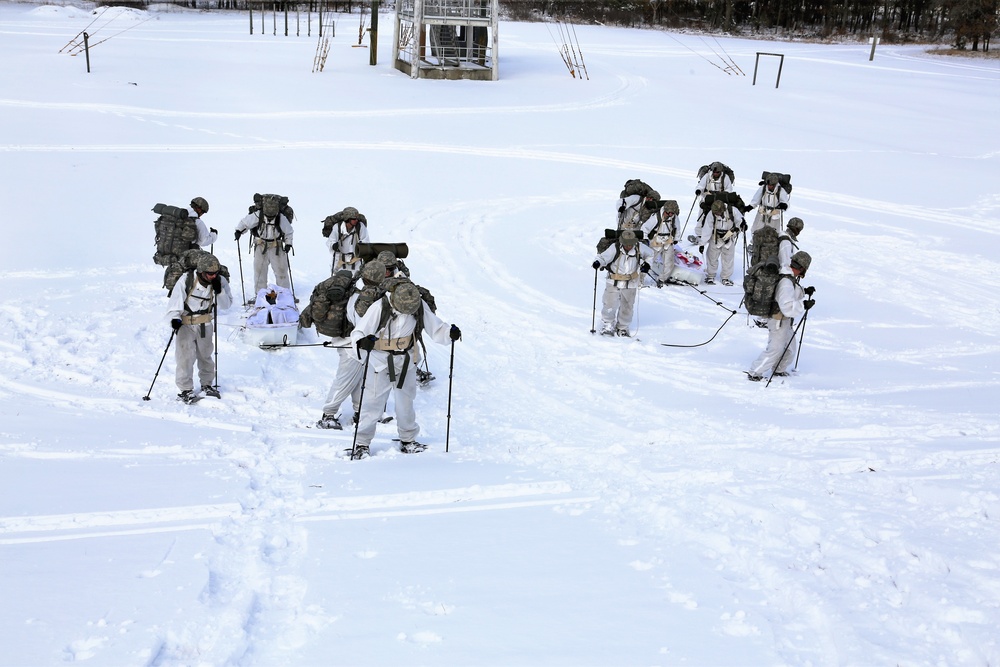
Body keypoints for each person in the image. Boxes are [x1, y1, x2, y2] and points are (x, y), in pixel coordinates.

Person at [350, 282, 461, 458]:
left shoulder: (417, 304)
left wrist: (449, 333)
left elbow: (436, 327)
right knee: (372, 403)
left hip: (406, 359)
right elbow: (358, 332)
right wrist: (362, 342)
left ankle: (408, 440)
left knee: (405, 402)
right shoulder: (380, 306)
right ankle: (362, 443)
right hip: (380, 360)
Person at [316, 261, 386, 430]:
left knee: (359, 380)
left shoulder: (361, 290)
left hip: (358, 345)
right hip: (351, 346)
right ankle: (328, 414)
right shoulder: (362, 296)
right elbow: (360, 322)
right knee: (345, 381)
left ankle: (359, 412)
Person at [166, 253, 233, 403]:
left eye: (215, 273)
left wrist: (219, 291)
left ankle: (207, 384)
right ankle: (185, 389)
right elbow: (175, 302)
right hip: (186, 324)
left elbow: (227, 305)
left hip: (205, 323)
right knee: (185, 357)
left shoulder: (220, 281)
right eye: (210, 274)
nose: (213, 276)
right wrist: (175, 319)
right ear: (201, 272)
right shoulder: (187, 280)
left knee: (205, 355)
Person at [746, 251, 814, 381]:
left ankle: (779, 369)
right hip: (778, 321)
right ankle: (755, 372)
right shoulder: (786, 282)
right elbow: (787, 307)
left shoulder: (789, 276)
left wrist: (804, 291)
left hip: (785, 321)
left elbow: (790, 294)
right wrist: (803, 305)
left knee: (790, 348)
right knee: (775, 350)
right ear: (802, 268)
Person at [593, 229, 653, 336]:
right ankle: (608, 323)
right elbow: (603, 257)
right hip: (614, 280)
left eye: (630, 244)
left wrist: (647, 265)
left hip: (631, 281)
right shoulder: (615, 247)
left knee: (627, 305)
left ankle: (623, 327)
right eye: (626, 244)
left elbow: (650, 254)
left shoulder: (639, 247)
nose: (628, 246)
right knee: (610, 303)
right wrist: (598, 262)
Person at [234, 195, 294, 295]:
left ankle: (284, 294)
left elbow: (289, 231)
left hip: (276, 246)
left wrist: (288, 244)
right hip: (260, 245)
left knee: (281, 271)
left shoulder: (280, 217)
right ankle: (260, 295)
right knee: (259, 272)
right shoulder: (258, 215)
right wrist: (239, 231)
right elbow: (245, 223)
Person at [698, 199, 745, 286]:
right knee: (712, 257)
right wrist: (702, 244)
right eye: (715, 213)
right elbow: (707, 229)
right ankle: (710, 276)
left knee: (728, 258)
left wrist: (742, 226)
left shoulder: (733, 210)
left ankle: (725, 277)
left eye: (718, 213)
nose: (716, 214)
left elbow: (740, 221)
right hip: (716, 237)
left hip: (729, 236)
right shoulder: (711, 214)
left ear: (722, 210)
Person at [691, 162, 734, 241]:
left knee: (719, 217)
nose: (715, 173)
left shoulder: (725, 178)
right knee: (702, 215)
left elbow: (729, 189)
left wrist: (724, 195)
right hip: (708, 198)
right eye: (714, 172)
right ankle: (700, 234)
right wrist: (698, 191)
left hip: (720, 200)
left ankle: (717, 233)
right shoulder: (707, 176)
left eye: (717, 172)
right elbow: (700, 185)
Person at [642, 199, 679, 286]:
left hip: (668, 241)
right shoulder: (656, 217)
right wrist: (645, 239)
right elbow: (645, 228)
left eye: (672, 213)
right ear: (665, 211)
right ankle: (640, 279)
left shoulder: (674, 218)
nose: (670, 215)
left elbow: (677, 227)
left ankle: (662, 279)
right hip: (655, 241)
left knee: (669, 263)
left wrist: (676, 238)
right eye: (669, 213)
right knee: (647, 261)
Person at [326, 207, 370, 276]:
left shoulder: (360, 227)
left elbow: (366, 241)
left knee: (357, 280)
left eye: (357, 219)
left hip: (356, 260)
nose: (356, 220)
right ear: (347, 219)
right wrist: (334, 245)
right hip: (340, 260)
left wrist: (361, 248)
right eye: (354, 219)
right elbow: (330, 241)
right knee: (337, 280)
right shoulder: (337, 227)